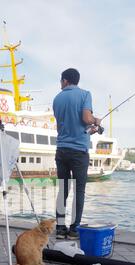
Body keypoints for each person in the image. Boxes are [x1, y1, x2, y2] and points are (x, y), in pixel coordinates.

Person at [53, 68, 101, 240]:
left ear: (65, 81)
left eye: (61, 80)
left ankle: (59, 228)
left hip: (62, 149)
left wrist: (87, 131)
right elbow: (86, 119)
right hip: (79, 151)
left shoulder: (57, 99)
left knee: (63, 190)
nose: (60, 83)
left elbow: (61, 127)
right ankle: (74, 230)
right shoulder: (85, 94)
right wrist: (96, 121)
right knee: (79, 190)